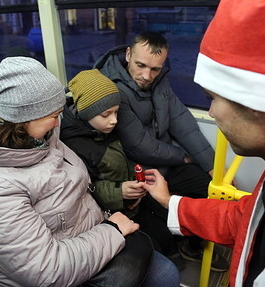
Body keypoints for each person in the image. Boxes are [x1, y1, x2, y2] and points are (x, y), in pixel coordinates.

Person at [142, 0, 265, 286]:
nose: (213, 113)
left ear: (260, 105)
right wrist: (171, 203)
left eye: (214, 98)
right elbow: (244, 219)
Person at [0, 57, 180, 287]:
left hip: (89, 233)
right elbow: (46, 270)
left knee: (165, 270)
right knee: (164, 276)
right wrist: (112, 231)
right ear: (22, 119)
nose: (58, 124)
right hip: (60, 267)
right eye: (51, 116)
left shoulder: (41, 137)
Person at [94, 31, 228, 271]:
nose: (147, 76)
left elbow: (182, 122)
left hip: (167, 164)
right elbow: (139, 145)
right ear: (127, 55)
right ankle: (175, 248)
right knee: (161, 231)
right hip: (140, 171)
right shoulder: (112, 88)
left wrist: (212, 167)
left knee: (208, 189)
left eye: (155, 69)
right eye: (140, 65)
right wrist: (182, 157)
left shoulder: (159, 82)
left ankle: (191, 244)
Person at [60, 69, 192, 266]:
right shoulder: (75, 145)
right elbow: (87, 190)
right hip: (111, 212)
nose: (114, 120)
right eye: (106, 114)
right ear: (87, 113)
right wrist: (119, 192)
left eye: (116, 112)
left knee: (165, 233)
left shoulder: (105, 128)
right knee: (156, 252)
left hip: (133, 200)